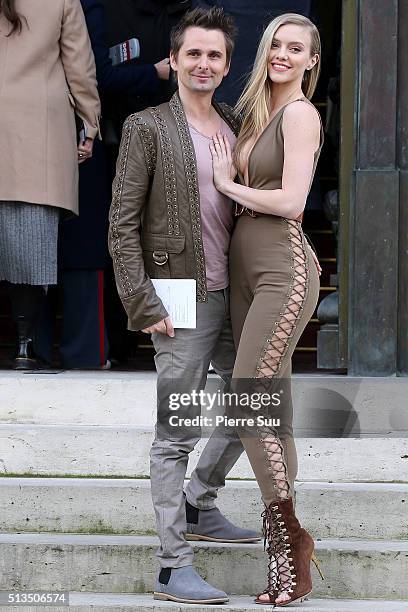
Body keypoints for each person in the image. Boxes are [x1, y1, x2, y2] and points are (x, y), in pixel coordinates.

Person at [109, 7, 260, 605]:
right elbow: (121, 224)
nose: (203, 63)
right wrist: (142, 301)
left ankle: (200, 501)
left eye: (214, 55)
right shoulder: (148, 126)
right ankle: (173, 567)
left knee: (257, 402)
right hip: (176, 294)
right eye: (192, 53)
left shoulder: (234, 123)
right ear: (174, 61)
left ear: (226, 67)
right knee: (175, 433)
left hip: (235, 293)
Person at [210, 12, 325, 607]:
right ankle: (290, 547)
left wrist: (229, 186)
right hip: (245, 270)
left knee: (249, 397)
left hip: (282, 269)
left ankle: (289, 545)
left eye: (295, 48)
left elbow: (294, 199)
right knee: (269, 408)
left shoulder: (301, 114)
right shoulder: (256, 116)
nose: (282, 54)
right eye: (276, 45)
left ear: (312, 60)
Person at [0, 0, 100, 369]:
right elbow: (80, 66)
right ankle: (25, 347)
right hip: (37, 133)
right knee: (31, 249)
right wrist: (89, 124)